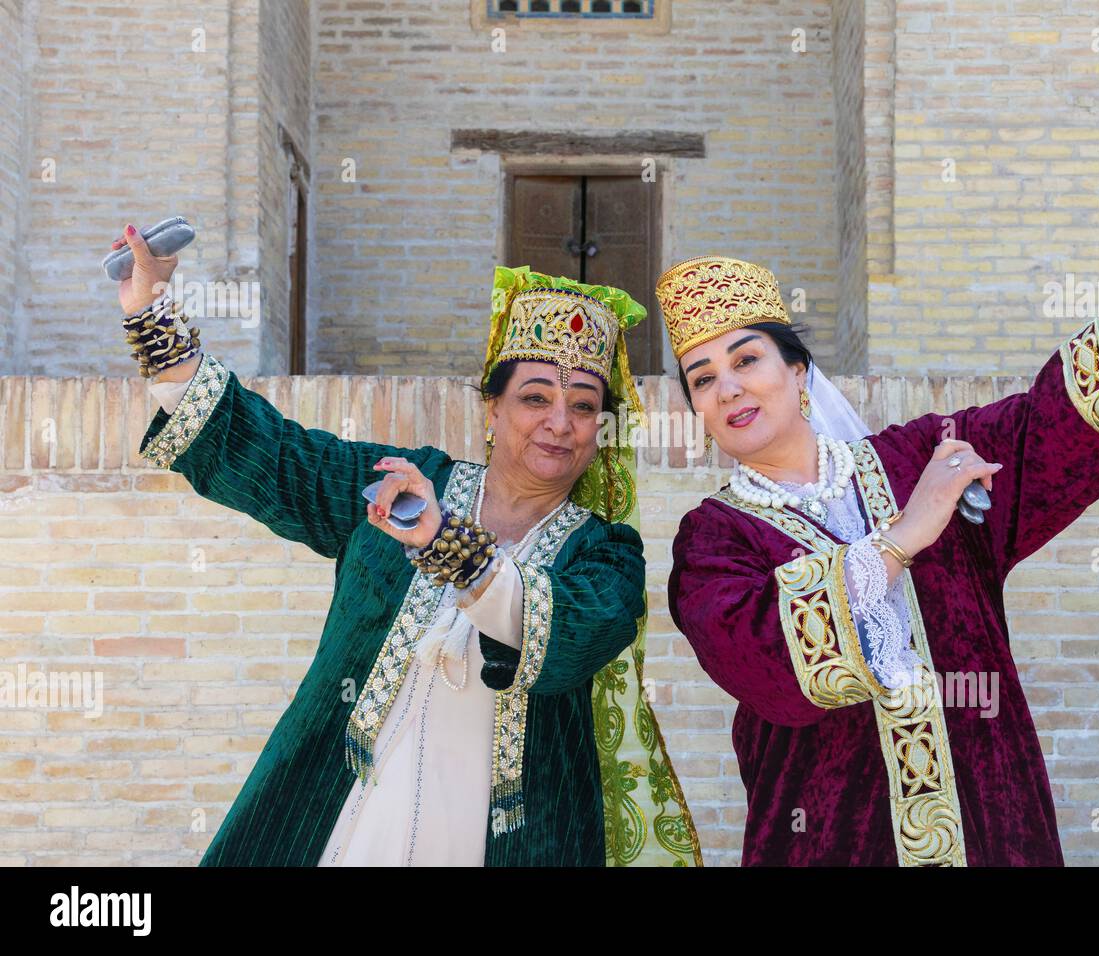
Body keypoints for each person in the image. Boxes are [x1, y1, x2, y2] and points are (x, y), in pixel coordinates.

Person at [111, 223, 700, 866]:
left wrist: (448, 543)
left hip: (506, 840)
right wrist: (153, 317)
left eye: (584, 406)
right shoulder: (403, 484)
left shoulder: (606, 552)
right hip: (345, 813)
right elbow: (276, 457)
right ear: (492, 410)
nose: (560, 423)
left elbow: (571, 633)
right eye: (535, 397)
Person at [662, 186, 1099, 865]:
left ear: (798, 372)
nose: (730, 389)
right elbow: (763, 664)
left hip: (990, 823)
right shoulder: (713, 538)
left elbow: (1046, 434)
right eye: (703, 379)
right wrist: (901, 538)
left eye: (747, 360)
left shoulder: (925, 455)